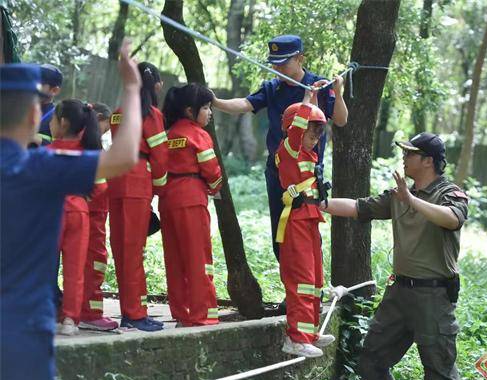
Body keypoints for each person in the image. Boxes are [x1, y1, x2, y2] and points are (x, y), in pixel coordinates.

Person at [0, 41, 142, 380]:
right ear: (36, 117)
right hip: (24, 336)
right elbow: (124, 157)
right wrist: (132, 87)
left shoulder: (46, 158)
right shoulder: (43, 167)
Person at [322, 133, 468, 380]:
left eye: (410, 153)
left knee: (440, 378)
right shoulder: (400, 195)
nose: (404, 157)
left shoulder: (449, 193)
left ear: (427, 161)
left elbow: (452, 219)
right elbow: (358, 207)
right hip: (399, 294)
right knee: (371, 363)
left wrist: (412, 201)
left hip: (433, 297)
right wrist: (317, 204)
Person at [212, 34, 348, 261]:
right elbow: (245, 104)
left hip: (307, 174)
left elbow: (341, 119)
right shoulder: (272, 88)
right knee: (281, 229)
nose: (278, 68)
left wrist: (339, 93)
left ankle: (311, 290)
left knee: (305, 229)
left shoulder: (319, 86)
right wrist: (215, 102)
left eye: (283, 62)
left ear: (300, 58)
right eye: (275, 63)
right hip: (278, 172)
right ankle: (291, 288)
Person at [276, 90, 337, 357]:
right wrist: (308, 100)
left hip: (310, 220)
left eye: (317, 136)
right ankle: (295, 338)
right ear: (296, 131)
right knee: (301, 278)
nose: (314, 141)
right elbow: (298, 129)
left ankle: (310, 331)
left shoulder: (309, 157)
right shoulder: (289, 150)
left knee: (314, 279)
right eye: (311, 135)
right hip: (296, 221)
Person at [108, 61, 168, 332]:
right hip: (137, 182)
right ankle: (135, 314)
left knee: (121, 249)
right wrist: (159, 189)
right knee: (133, 251)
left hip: (116, 182)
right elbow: (160, 156)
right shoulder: (152, 114)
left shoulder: (118, 113)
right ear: (154, 85)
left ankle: (128, 312)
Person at [159, 84, 223, 327]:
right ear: (189, 110)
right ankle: (202, 315)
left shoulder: (168, 134)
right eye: (205, 108)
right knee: (198, 258)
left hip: (167, 200)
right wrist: (215, 188)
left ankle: (182, 314)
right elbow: (212, 171)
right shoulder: (198, 134)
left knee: (175, 259)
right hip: (192, 198)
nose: (209, 113)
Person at [47, 99, 103, 336]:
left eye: (51, 119)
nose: (49, 124)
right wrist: (82, 200)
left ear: (63, 122)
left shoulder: (48, 152)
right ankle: (71, 319)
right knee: (75, 269)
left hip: (50, 212)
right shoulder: (89, 153)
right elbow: (101, 188)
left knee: (44, 267)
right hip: (79, 211)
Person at [79, 103, 119, 331]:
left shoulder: (78, 146)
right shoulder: (93, 152)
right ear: (100, 119)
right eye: (106, 126)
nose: (106, 131)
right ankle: (91, 313)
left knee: (79, 265)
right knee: (94, 264)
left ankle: (76, 312)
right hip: (93, 218)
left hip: (86, 215)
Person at [34, 64, 63, 147]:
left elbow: (60, 148)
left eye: (39, 85)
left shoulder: (57, 116)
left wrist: (38, 140)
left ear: (55, 90)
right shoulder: (20, 109)